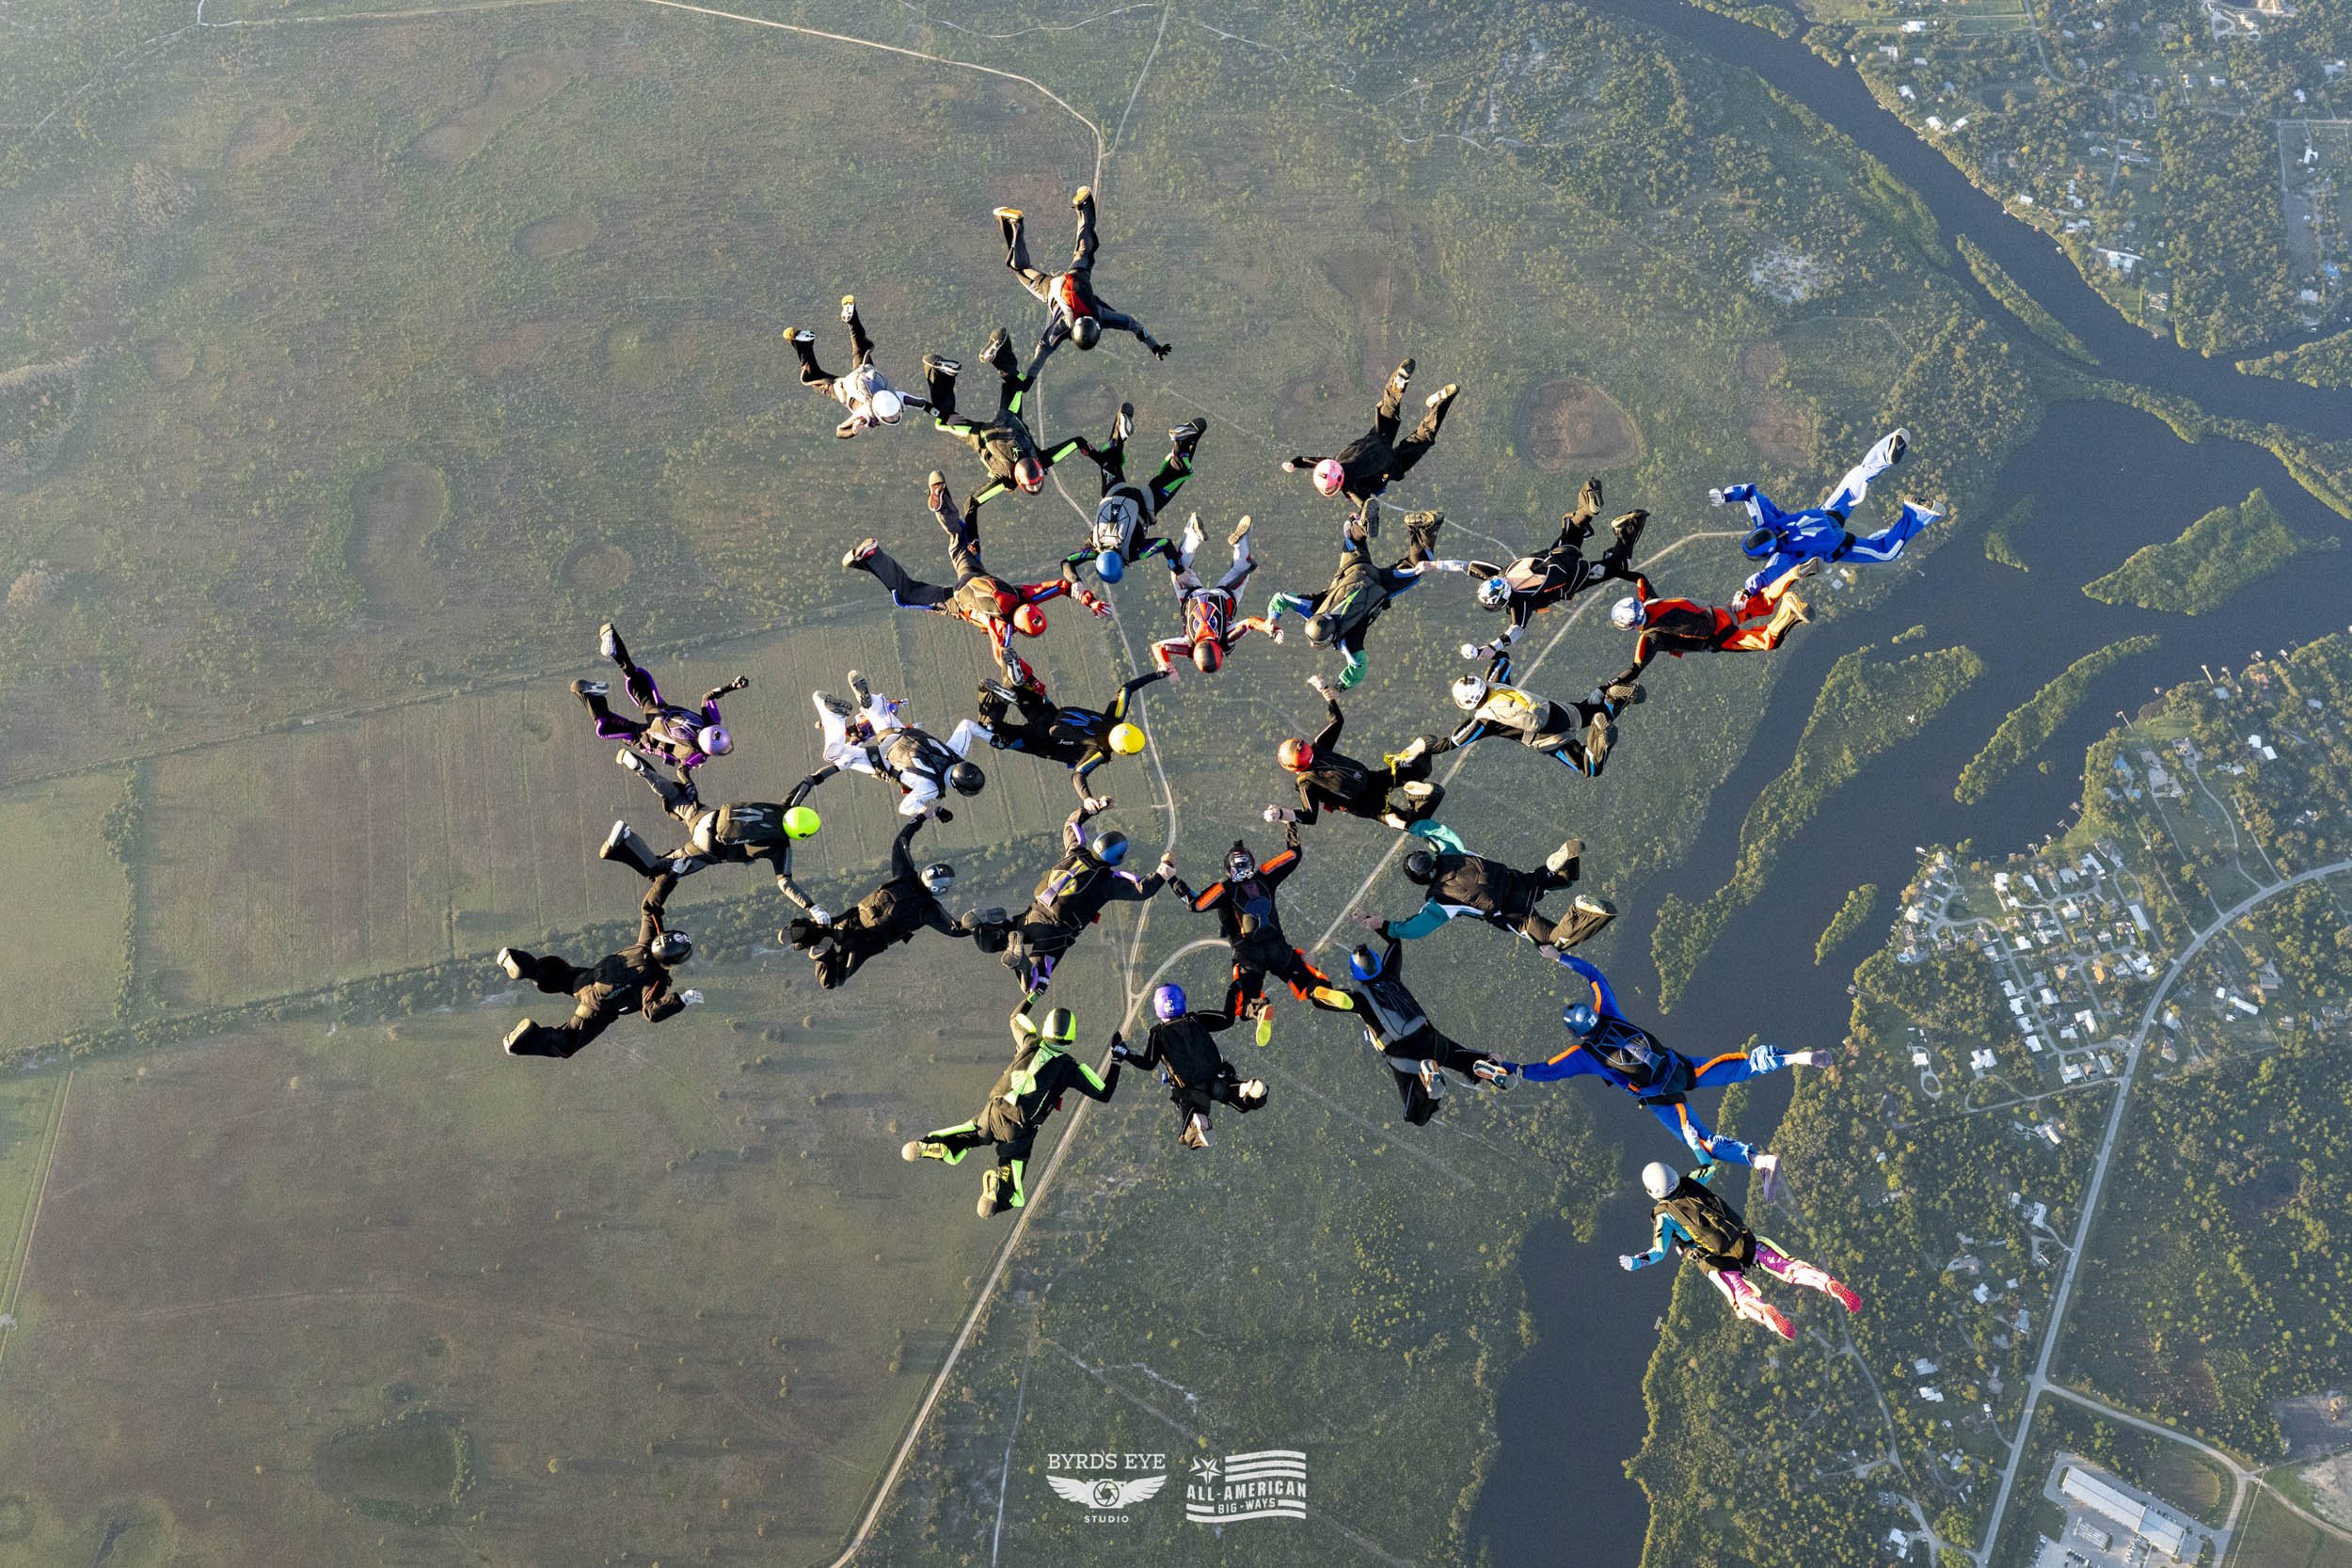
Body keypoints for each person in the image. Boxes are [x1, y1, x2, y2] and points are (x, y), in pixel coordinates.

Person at [1511, 954, 1835, 1189]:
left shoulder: (1582, 1055)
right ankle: (1797, 1058)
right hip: (1680, 1067)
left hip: (1660, 1097)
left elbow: (1547, 1071)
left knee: (1702, 1141)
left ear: (1575, 1033)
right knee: (1743, 1067)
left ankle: (1761, 1162)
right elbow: (1595, 976)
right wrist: (1559, 957)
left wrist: (1514, 1070)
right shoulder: (1608, 1012)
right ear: (1591, 1015)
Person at [844, 473, 1108, 691]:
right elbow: (1000, 654)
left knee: (958, 534)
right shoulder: (1000, 626)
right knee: (906, 594)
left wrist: (1091, 601)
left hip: (974, 573)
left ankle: (942, 499)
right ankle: (873, 556)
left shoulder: (1026, 595)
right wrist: (1032, 681)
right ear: (1024, 631)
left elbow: (1062, 586)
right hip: (958, 600)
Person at [904, 1001, 1121, 1216]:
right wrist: (1117, 1057)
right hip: (1017, 1131)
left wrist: (1034, 995)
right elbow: (1104, 1092)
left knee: (970, 1134)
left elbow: (1015, 1018)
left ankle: (934, 1145)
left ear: (1046, 1027)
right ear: (1071, 1035)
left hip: (993, 1112)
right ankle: (996, 1195)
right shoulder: (1069, 1068)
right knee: (1013, 1183)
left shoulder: (1029, 1043)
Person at [1620, 1162, 1860, 1340]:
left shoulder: (1664, 1214)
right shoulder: (1692, 1180)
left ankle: (1766, 1314)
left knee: (1742, 1298)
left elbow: (1658, 1252)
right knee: (1788, 1266)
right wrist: (1695, 1139)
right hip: (1744, 1239)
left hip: (1716, 1260)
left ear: (1651, 1191)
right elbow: (1709, 1166)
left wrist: (1636, 1262)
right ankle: (1828, 1284)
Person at [1168, 825, 1355, 1047]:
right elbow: (1294, 855)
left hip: (1248, 954)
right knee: (1302, 977)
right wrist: (1290, 824)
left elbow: (1195, 904)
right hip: (1277, 947)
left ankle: (1260, 1009)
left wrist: (1171, 877)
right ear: (1251, 863)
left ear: (1229, 868)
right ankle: (1317, 989)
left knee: (1246, 998)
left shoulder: (1224, 889)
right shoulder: (1265, 876)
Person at [1713, 428, 1941, 610]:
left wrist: (1745, 593)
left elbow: (1766, 576)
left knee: (1885, 552)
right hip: (1826, 513)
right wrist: (1725, 496)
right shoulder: (1767, 522)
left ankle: (1916, 513)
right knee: (1857, 478)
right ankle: (1886, 449)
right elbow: (1750, 494)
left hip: (1837, 544)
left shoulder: (1785, 555)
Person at [1436, 477, 1648, 661]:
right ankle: (1587, 499)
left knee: (1616, 567)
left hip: (1572, 578)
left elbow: (1515, 630)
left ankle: (1627, 526)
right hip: (1557, 555)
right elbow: (1464, 566)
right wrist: (1429, 566)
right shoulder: (1499, 573)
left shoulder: (1520, 602)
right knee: (1573, 531)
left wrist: (1493, 647)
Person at [497, 883, 701, 1058]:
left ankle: (522, 965)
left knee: (557, 974)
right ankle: (521, 1042)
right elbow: (651, 1013)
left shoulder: (645, 944)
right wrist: (680, 1000)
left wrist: (670, 875)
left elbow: (650, 908)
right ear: (674, 961)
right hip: (596, 1008)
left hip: (584, 980)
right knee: (567, 1042)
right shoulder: (655, 980)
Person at [1264, 499, 1450, 689]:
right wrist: (1272, 618)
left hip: (1381, 585)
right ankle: (1361, 525)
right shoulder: (1312, 609)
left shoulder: (1347, 641)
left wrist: (1339, 687)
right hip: (1353, 568)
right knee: (1352, 539)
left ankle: (1425, 529)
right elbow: (1282, 597)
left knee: (1416, 568)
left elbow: (1358, 667)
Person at [598, 767, 826, 919]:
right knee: (658, 871)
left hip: (707, 817)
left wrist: (841, 764)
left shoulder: (786, 806)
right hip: (707, 849)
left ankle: (645, 772)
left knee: (677, 798)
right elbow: (785, 884)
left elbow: (809, 781)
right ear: (801, 834)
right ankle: (625, 841)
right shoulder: (780, 848)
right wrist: (812, 908)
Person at [1352, 820, 1613, 953]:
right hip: (1517, 881)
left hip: (1512, 913)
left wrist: (1383, 925)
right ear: (1431, 857)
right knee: (1562, 879)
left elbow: (1415, 928)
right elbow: (1438, 832)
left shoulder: (1440, 901)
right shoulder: (1451, 851)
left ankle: (1580, 911)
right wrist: (1408, 825)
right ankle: (1554, 867)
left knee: (1552, 942)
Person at [1001, 800, 1174, 995]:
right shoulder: (1107, 882)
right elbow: (1143, 890)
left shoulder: (1075, 850)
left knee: (994, 941)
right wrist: (1165, 868)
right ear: (1118, 858)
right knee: (1034, 986)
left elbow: (1071, 824)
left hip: (1032, 915)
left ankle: (983, 926)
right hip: (1055, 933)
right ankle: (1023, 963)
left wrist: (1095, 806)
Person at [995, 186, 1171, 376]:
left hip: (1076, 277)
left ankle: (1083, 205)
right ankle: (1015, 223)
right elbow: (1042, 352)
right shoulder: (1063, 326)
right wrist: (1028, 379)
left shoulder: (1102, 317)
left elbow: (1134, 325)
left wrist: (1155, 346)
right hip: (1052, 289)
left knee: (1085, 248)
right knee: (1019, 268)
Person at [787, 816, 979, 989]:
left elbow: (900, 842)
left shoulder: (904, 876)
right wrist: (979, 923)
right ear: (940, 889)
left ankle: (806, 933)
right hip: (862, 942)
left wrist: (921, 817)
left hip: (850, 920)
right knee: (833, 980)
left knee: (824, 929)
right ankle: (824, 956)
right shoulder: (928, 909)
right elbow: (955, 930)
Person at [1336, 937, 1510, 1125]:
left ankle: (1426, 1080)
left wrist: (1309, 983)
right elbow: (1395, 942)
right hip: (1430, 1037)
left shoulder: (1359, 999)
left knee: (1415, 1116)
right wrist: (1379, 925)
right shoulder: (1390, 975)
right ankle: (1490, 1063)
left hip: (1405, 1055)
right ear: (1377, 962)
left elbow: (1324, 998)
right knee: (1461, 1060)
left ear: (1354, 972)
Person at [921, 330, 1093, 504]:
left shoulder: (1042, 461)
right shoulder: (1004, 480)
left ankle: (999, 349)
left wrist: (1095, 454)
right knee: (942, 420)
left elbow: (1077, 442)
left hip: (1009, 418)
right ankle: (936, 371)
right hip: (981, 434)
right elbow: (972, 502)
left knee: (1018, 384)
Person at [949, 670, 1167, 807]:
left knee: (1025, 692)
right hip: (1039, 741)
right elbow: (1078, 775)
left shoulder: (1115, 718)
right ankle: (1000, 704)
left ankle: (1015, 682)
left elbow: (1126, 689)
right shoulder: (1099, 751)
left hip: (1051, 713)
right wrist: (1087, 798)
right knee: (994, 731)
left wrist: (1158, 674)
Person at [1264, 675, 1444, 830]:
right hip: (1373, 779)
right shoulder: (1319, 748)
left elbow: (1309, 817)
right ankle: (1410, 758)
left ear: (1292, 767)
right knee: (1421, 769)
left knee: (1406, 823)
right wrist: (1325, 691)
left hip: (1363, 804)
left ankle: (1417, 800)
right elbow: (1337, 721)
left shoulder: (1306, 784)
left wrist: (1281, 814)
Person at [570, 622, 745, 780]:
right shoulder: (695, 754)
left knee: (634, 675)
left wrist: (732, 686)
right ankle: (584, 691)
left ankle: (613, 645)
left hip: (657, 711)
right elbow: (682, 770)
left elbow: (708, 697)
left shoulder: (711, 721)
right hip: (645, 735)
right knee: (605, 725)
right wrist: (689, 786)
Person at [1059, 402, 1207, 585]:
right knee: (1110, 460)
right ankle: (1119, 433)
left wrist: (1177, 569)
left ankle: (1182, 443)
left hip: (1145, 503)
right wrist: (1075, 582)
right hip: (1113, 491)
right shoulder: (1093, 547)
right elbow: (1067, 562)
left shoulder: (1133, 553)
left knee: (1176, 473)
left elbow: (1164, 544)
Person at [1602, 563, 1810, 690]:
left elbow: (1636, 667)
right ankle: (1792, 574)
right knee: (1762, 603)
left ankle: (1789, 611)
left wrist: (1609, 685)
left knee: (1767, 641)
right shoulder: (1649, 601)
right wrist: (1614, 571)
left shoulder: (1651, 637)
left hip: (1717, 637)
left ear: (1629, 626)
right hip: (1719, 613)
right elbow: (1640, 578)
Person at [1280, 358, 1458, 506]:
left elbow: (1365, 504)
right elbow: (1314, 463)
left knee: (1423, 436)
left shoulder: (1351, 487)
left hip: (1391, 463)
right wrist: (1294, 463)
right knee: (1389, 408)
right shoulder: (1334, 463)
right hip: (1378, 438)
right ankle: (1399, 384)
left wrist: (1363, 520)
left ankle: (1442, 402)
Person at [1432, 651, 1637, 778]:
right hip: (1559, 711)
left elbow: (1453, 741)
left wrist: (1422, 749)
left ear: (1466, 703)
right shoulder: (1497, 681)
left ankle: (1599, 737)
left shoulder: (1484, 720)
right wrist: (1479, 652)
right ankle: (1612, 698)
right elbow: (1503, 658)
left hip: (1547, 738)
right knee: (1591, 713)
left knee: (1590, 768)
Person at [806, 677, 985, 822]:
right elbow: (905, 808)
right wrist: (932, 812)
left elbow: (967, 725)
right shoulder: (931, 788)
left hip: (901, 734)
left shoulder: (957, 752)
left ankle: (870, 703)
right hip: (883, 760)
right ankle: (836, 718)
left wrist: (993, 738)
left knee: (878, 712)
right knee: (834, 754)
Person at [1114, 983, 1264, 1149]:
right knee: (1231, 1092)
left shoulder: (1158, 1034)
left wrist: (1123, 1051)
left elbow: (1148, 1063)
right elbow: (1227, 1020)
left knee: (1191, 1120)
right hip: (1217, 1075)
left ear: (1157, 1008)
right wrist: (1232, 990)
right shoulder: (1196, 1018)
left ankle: (1197, 1119)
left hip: (1190, 1088)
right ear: (1182, 1001)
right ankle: (1245, 1090)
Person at [1148, 514, 1279, 675]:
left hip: (1224, 595)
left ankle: (1241, 542)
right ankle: (1192, 534)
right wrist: (1165, 664)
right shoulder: (1188, 644)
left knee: (1242, 568)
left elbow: (1250, 623)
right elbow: (1157, 647)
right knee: (1179, 568)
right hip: (1191, 593)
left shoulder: (1226, 637)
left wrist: (1267, 627)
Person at [786, 293, 930, 439]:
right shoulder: (865, 413)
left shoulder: (898, 398)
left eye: (891, 417)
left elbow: (923, 404)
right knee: (813, 377)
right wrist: (853, 430)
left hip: (865, 373)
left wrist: (943, 414)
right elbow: (840, 432)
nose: (892, 418)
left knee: (861, 348)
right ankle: (801, 342)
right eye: (892, 417)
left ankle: (851, 316)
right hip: (841, 387)